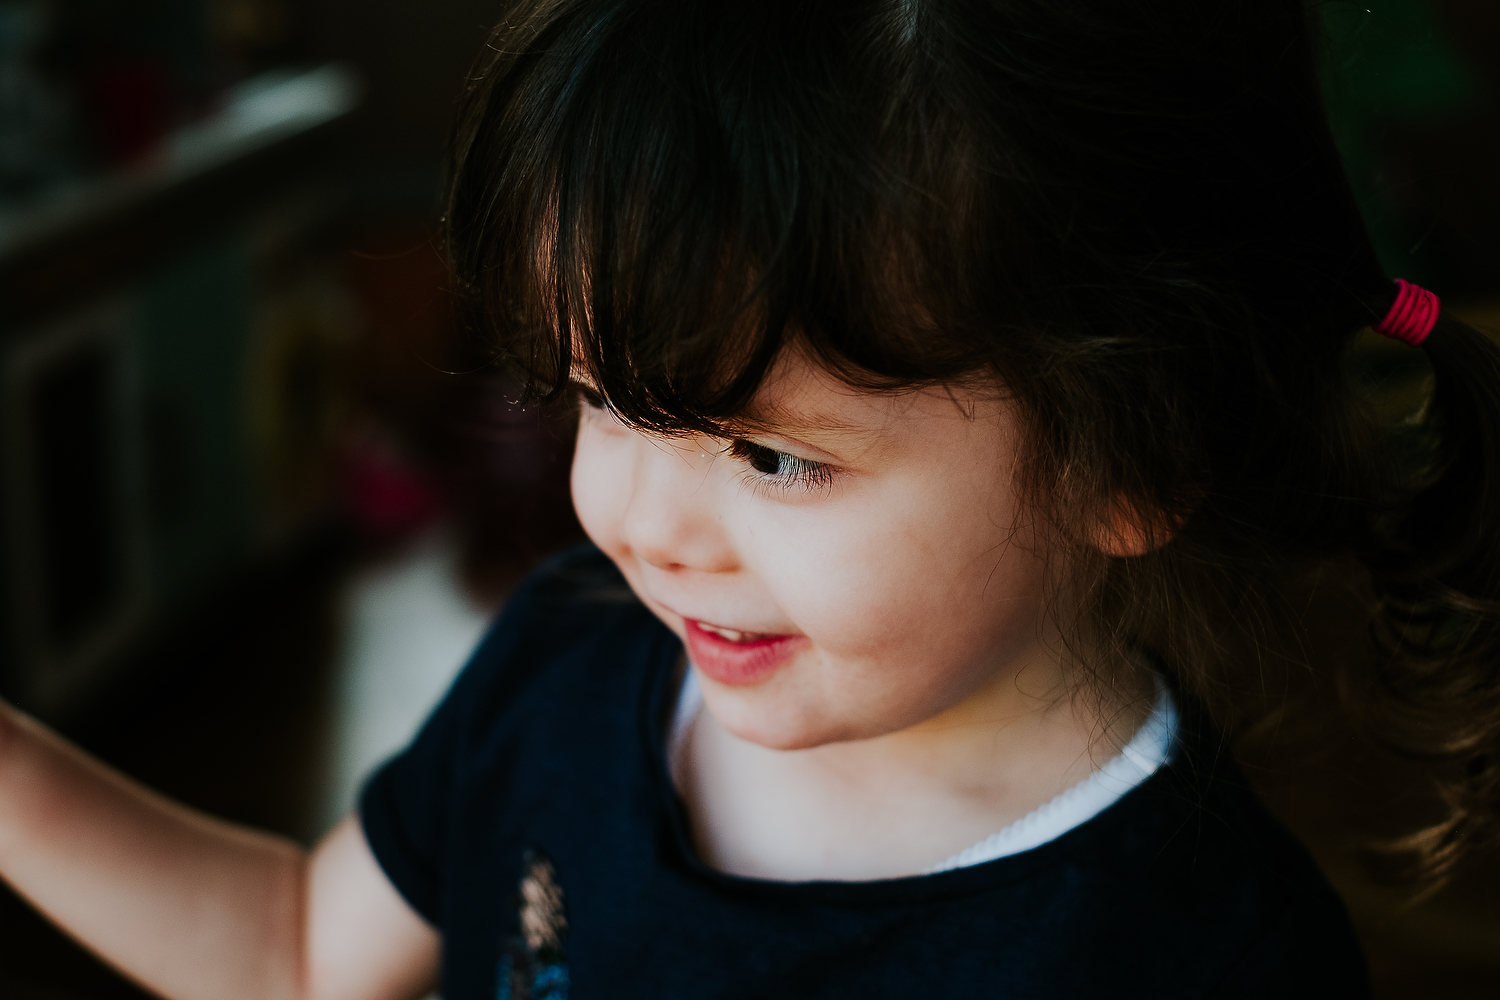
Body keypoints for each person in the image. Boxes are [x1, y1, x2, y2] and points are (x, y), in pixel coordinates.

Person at [2, 1, 1498, 997]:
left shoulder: (1193, 955)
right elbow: (295, 949)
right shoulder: (567, 667)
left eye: (773, 456)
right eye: (600, 400)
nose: (642, 522)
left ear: (1136, 456)